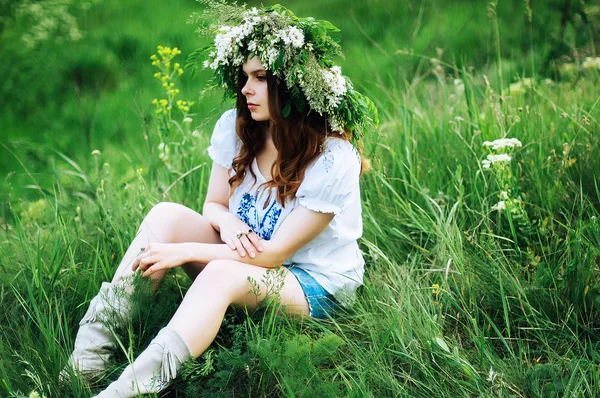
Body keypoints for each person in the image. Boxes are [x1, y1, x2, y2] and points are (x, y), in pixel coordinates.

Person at [63, 4, 377, 397]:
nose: (246, 89)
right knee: (166, 217)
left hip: (313, 284)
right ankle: (87, 363)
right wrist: (226, 222)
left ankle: (129, 391)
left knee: (217, 272)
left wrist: (183, 252)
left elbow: (272, 256)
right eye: (245, 76)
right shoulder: (238, 129)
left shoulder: (332, 159)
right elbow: (213, 205)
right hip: (250, 261)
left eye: (261, 78)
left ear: (292, 86)